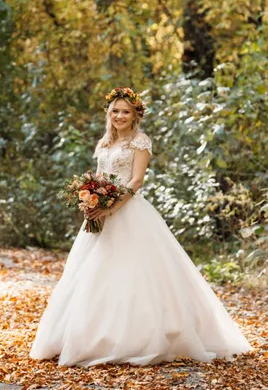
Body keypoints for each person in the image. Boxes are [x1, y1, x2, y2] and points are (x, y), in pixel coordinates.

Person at [30, 87, 252, 367]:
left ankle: (137, 337)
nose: (119, 116)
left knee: (135, 272)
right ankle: (86, 336)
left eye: (125, 111)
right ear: (108, 114)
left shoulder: (140, 141)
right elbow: (98, 177)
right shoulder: (104, 143)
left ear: (135, 114)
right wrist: (89, 201)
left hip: (129, 211)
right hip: (100, 213)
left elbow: (135, 181)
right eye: (115, 111)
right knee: (92, 272)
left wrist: (111, 207)